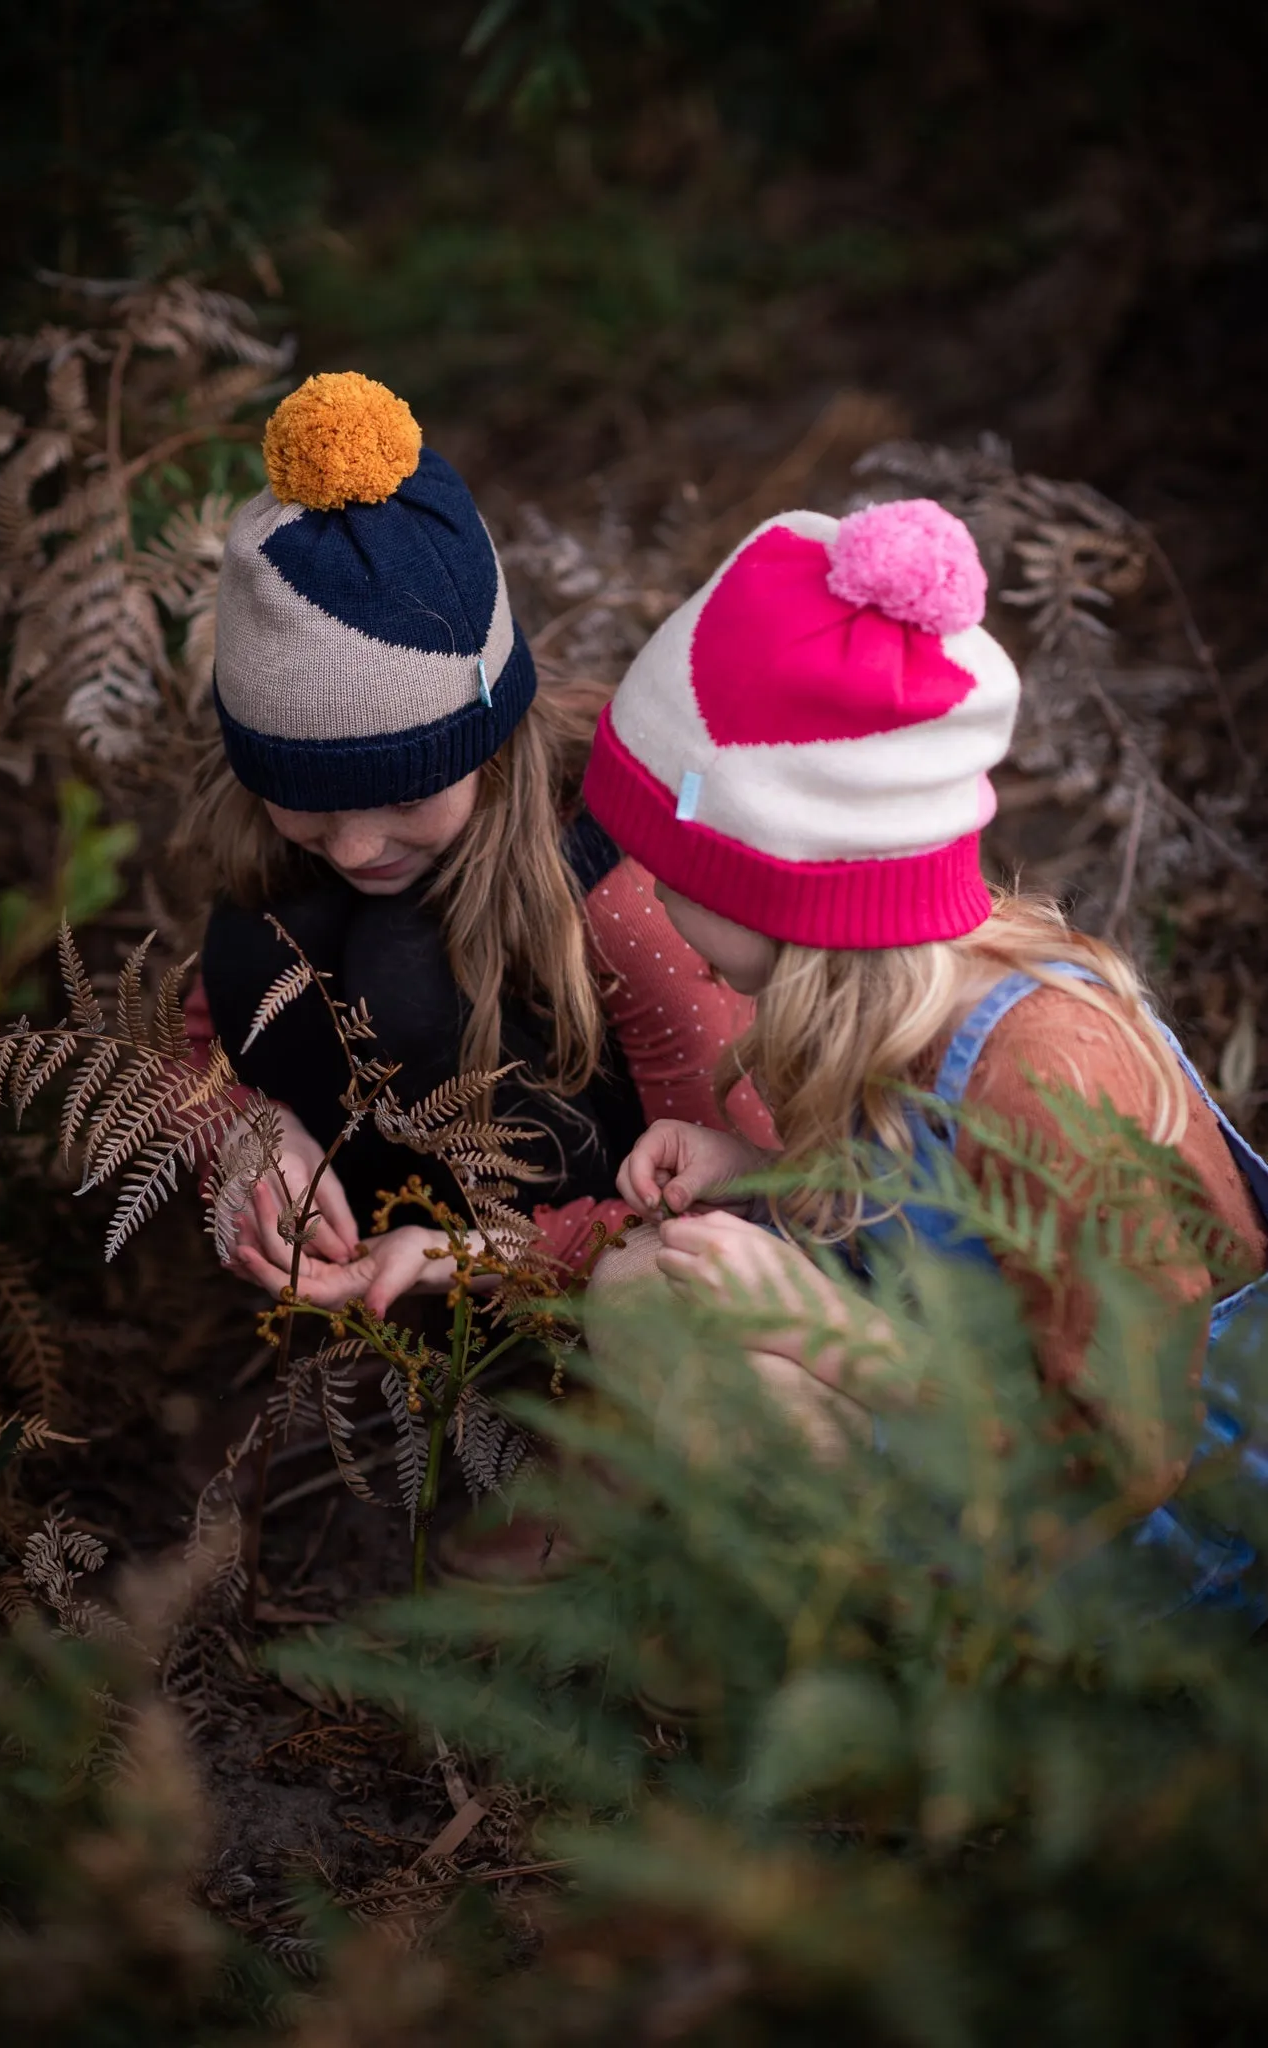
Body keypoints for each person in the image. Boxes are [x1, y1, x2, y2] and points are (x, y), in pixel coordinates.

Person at [583, 495, 1268, 1613]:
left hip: (1156, 1537)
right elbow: (937, 1235)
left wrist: (833, 1339)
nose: (648, 891)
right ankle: (832, 1634)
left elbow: (1121, 1443)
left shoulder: (1043, 1071)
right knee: (643, 1285)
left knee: (749, 1379)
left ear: (781, 884)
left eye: (673, 868)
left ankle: (928, 1705)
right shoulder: (883, 1009)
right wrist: (760, 1173)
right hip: (965, 1427)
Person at [182, 369, 769, 1321]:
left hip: (582, 1260)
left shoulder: (624, 883)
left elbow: (734, 1188)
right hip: (376, 1257)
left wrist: (471, 1255)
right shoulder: (267, 835)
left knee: (407, 971)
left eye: (405, 791)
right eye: (308, 805)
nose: (356, 845)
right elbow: (187, 1045)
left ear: (488, 742)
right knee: (268, 935)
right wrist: (243, 1129)